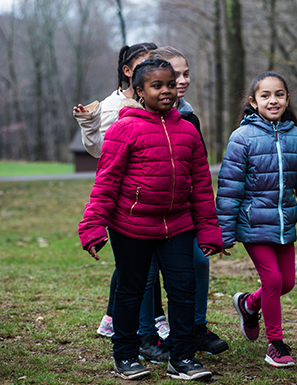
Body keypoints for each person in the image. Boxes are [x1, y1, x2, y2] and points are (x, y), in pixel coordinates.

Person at [78, 59, 222, 381]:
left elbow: (200, 185)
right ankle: (125, 355)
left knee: (184, 288)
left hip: (177, 226)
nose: (167, 91)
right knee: (131, 291)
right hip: (131, 226)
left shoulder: (188, 130)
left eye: (170, 84)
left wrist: (209, 229)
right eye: (157, 86)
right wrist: (92, 225)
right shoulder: (123, 128)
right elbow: (106, 182)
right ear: (140, 91)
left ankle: (182, 357)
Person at [216, 72, 297, 367]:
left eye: (279, 94)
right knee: (273, 280)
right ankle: (275, 344)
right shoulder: (242, 138)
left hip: (284, 224)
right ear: (253, 101)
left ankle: (249, 304)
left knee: (286, 282)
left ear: (287, 99)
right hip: (252, 224)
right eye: (265, 95)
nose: (273, 100)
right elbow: (229, 189)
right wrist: (223, 234)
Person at [73, 43, 171, 363]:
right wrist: (89, 123)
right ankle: (144, 326)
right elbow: (101, 152)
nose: (155, 69)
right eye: (146, 65)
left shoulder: (162, 102)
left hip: (154, 198)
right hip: (125, 198)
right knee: (138, 268)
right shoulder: (115, 106)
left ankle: (115, 318)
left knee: (138, 266)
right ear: (129, 72)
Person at [144, 46, 229, 355]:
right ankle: (146, 333)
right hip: (148, 213)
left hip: (186, 209)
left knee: (199, 260)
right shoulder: (137, 114)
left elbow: (199, 169)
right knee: (147, 272)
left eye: (186, 74)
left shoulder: (189, 116)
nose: (181, 80)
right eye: (175, 74)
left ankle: (196, 326)